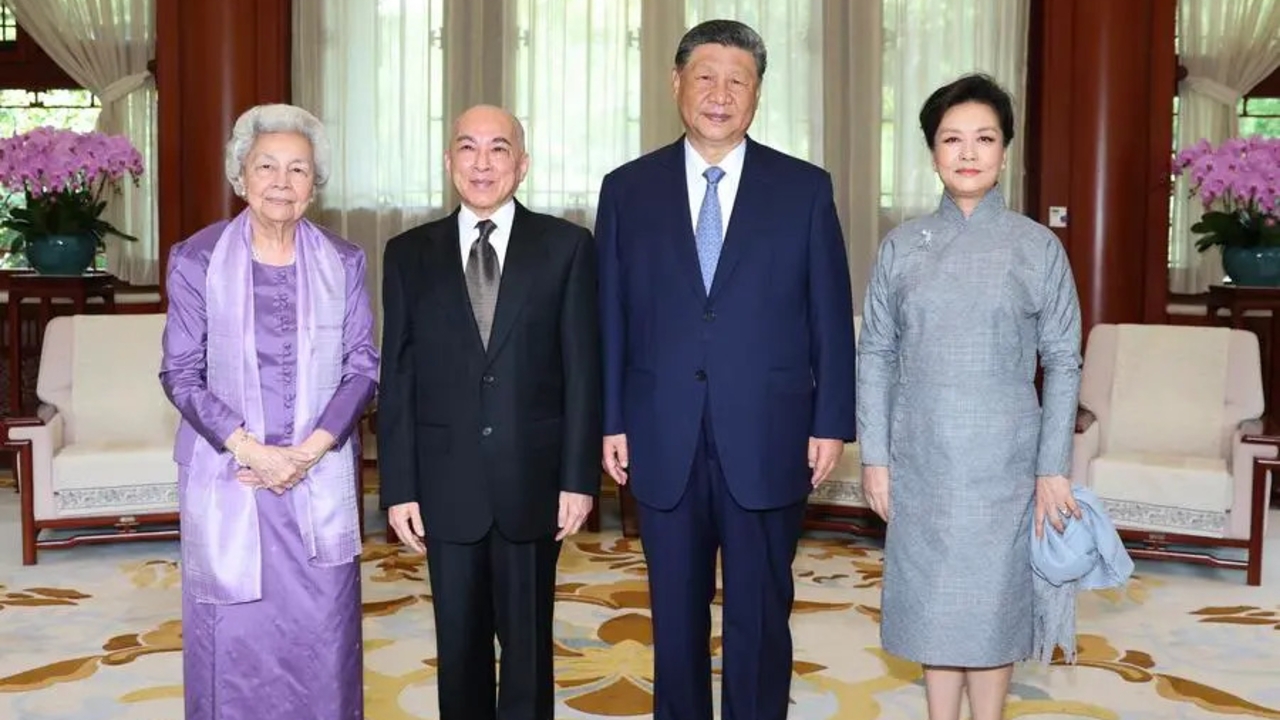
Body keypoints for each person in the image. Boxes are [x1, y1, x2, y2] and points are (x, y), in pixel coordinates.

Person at [595, 19, 857, 720]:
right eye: (705, 76)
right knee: (673, 613)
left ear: (758, 93)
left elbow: (829, 312)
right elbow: (611, 315)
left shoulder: (803, 189)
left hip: (770, 433)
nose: (720, 93)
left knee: (761, 613)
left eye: (737, 80)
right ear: (676, 83)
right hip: (659, 432)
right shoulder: (627, 190)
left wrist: (831, 420)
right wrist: (610, 419)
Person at [856, 73, 1083, 720]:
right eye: (952, 139)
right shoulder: (900, 247)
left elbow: (1063, 361)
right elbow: (875, 354)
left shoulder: (1038, 247)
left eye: (984, 138)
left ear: (1005, 151)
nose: (968, 152)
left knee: (991, 605)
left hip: (1005, 463)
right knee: (934, 603)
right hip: (920, 456)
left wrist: (1051, 467)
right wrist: (875, 457)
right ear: (932, 151)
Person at [377, 104, 601, 720]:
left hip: (532, 483)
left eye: (498, 148)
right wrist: (399, 486)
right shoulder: (407, 254)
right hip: (445, 487)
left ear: (521, 165)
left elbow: (584, 372)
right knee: (458, 647)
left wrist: (578, 479)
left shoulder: (567, 248)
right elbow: (396, 377)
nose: (482, 163)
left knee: (528, 649)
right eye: (468, 148)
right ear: (449, 162)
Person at [160, 103, 379, 720]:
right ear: (241, 175)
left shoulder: (345, 261)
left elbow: (363, 366)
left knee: (321, 638)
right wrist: (252, 450)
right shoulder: (196, 260)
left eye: (299, 169)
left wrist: (308, 453)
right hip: (233, 475)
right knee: (233, 640)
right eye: (267, 166)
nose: (282, 182)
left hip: (318, 476)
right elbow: (180, 372)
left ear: (316, 183)